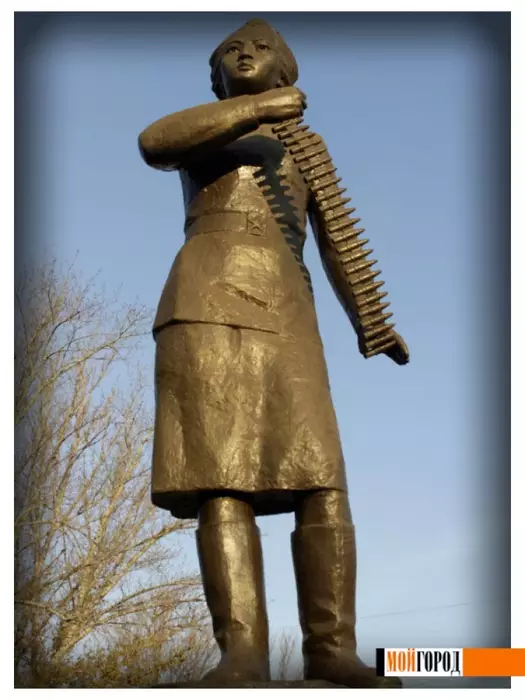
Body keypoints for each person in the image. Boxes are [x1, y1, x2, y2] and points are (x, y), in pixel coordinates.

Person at [138, 18, 408, 687]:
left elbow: (336, 239)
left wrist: (372, 324)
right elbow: (154, 141)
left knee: (322, 476)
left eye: (260, 49)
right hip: (206, 297)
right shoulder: (210, 129)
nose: (245, 54)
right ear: (217, 78)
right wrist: (255, 109)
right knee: (221, 476)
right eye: (231, 51)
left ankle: (332, 650)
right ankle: (242, 655)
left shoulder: (305, 146)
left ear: (286, 68)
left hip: (288, 309)